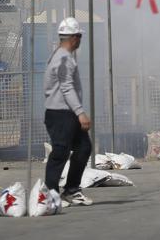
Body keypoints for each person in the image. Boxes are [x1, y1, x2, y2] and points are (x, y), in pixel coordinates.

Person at [43, 17, 93, 207]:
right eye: (79, 36)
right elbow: (66, 87)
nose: (80, 40)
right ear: (74, 38)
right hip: (61, 113)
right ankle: (51, 194)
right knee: (61, 151)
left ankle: (71, 190)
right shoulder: (64, 59)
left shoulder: (59, 55)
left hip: (65, 112)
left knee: (83, 148)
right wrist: (81, 113)